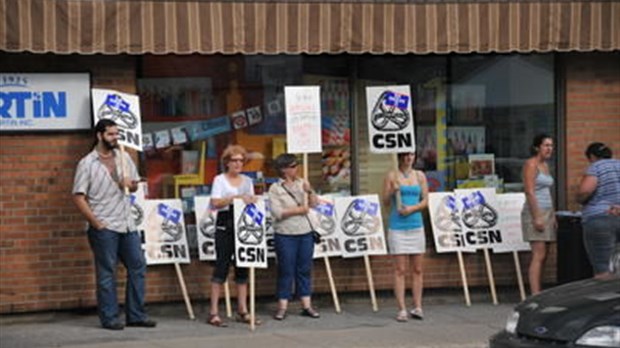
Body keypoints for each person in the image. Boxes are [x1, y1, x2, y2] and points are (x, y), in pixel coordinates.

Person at [72, 119, 156, 330]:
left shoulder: (124, 156)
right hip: (104, 225)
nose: (115, 138)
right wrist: (95, 223)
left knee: (137, 266)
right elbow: (78, 196)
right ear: (100, 135)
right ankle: (109, 318)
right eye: (111, 134)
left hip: (127, 223)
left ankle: (136, 315)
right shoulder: (87, 163)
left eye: (117, 134)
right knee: (107, 272)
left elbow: (134, 187)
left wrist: (131, 185)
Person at [207, 144, 259, 327]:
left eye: (241, 160)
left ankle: (242, 309)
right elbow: (214, 203)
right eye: (234, 160)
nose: (238, 164)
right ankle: (213, 311)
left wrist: (252, 200)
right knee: (221, 266)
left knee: (243, 266)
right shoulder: (220, 180)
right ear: (227, 162)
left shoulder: (247, 181)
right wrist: (234, 199)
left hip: (242, 223)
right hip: (225, 223)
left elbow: (251, 202)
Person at [268, 153, 320, 321]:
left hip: (305, 231)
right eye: (293, 166)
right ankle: (282, 305)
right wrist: (298, 210)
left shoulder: (302, 183)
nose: (296, 168)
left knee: (304, 268)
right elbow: (277, 212)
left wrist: (309, 191)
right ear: (283, 169)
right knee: (286, 269)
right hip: (285, 234)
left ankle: (306, 304)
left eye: (297, 165)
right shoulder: (275, 189)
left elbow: (314, 204)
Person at [382, 152, 429, 322]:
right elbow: (385, 202)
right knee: (399, 269)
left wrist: (413, 208)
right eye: (406, 155)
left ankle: (417, 306)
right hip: (397, 226)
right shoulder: (392, 176)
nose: (409, 158)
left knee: (417, 269)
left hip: (416, 225)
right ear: (400, 157)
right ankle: (401, 308)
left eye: (412, 155)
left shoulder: (420, 175)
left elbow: (425, 200)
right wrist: (392, 191)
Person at [577, 142, 620, 279]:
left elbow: (585, 191)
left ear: (592, 156)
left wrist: (579, 198)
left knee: (603, 268)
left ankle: (605, 299)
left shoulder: (596, 167)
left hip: (600, 219)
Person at [521, 134, 556, 295]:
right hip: (535, 211)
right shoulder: (531, 164)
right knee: (538, 253)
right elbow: (529, 191)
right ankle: (535, 294)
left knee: (545, 254)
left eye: (551, 145)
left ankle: (540, 291)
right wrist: (537, 216)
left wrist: (553, 215)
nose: (549, 149)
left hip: (547, 211)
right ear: (537, 147)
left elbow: (548, 190)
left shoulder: (546, 166)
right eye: (546, 145)